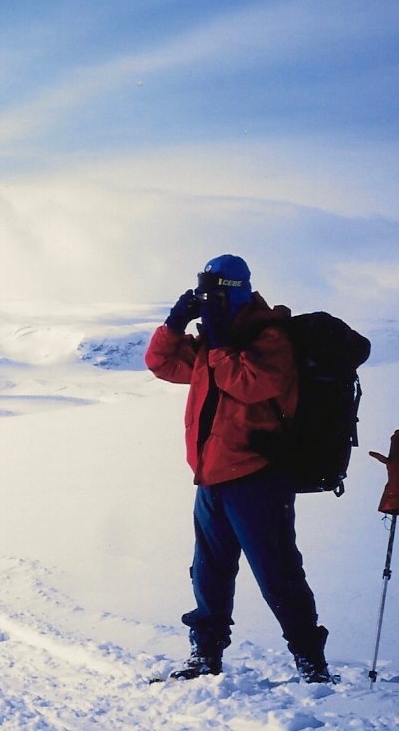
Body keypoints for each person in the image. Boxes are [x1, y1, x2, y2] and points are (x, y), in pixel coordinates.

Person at [144, 254, 334, 683]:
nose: (208, 300)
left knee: (278, 572)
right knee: (208, 573)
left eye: (214, 292)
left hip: (257, 477)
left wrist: (219, 341)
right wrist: (175, 326)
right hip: (211, 479)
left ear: (235, 291)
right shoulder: (214, 343)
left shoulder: (268, 337)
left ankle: (311, 661)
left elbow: (252, 384)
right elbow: (161, 364)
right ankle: (205, 657)